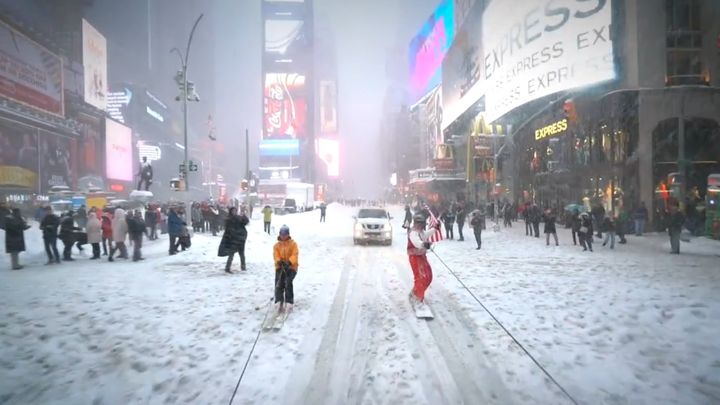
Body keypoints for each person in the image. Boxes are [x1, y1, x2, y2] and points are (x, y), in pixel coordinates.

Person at [407, 213, 438, 308]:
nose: (422, 225)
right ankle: (418, 299)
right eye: (420, 224)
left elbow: (426, 234)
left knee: (428, 276)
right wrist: (423, 244)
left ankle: (414, 293)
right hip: (415, 257)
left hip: (422, 256)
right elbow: (416, 242)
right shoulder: (413, 232)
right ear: (417, 223)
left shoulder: (421, 232)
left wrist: (435, 228)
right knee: (421, 277)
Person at [273, 225, 299, 313]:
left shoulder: (293, 244)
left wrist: (289, 262)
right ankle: (279, 301)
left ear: (288, 234)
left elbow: (295, 254)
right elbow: (275, 255)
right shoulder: (276, 245)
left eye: (285, 234)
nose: (283, 236)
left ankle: (289, 302)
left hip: (291, 267)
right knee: (279, 283)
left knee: (288, 282)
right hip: (280, 266)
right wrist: (279, 261)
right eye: (281, 234)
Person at [220, 206, 250, 273]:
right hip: (233, 240)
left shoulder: (239, 217)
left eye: (235, 211)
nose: (234, 212)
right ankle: (227, 268)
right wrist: (233, 235)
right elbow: (228, 229)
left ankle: (243, 267)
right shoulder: (229, 219)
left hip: (241, 239)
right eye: (233, 211)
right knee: (231, 254)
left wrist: (244, 216)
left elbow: (245, 222)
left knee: (242, 254)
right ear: (230, 211)